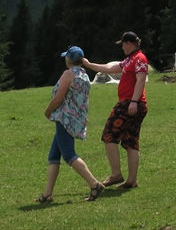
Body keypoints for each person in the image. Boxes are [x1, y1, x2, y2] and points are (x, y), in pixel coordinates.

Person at [36, 46, 106, 203]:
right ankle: (47, 194)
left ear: (69, 60)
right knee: (54, 155)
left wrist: (47, 111)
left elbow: (58, 98)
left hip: (64, 119)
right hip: (76, 119)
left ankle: (94, 184)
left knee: (68, 154)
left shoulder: (68, 74)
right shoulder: (84, 76)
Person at [81, 31, 148, 188]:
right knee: (131, 141)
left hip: (129, 104)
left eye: (123, 45)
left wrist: (133, 101)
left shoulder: (139, 59)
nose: (122, 48)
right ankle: (131, 180)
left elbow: (140, 80)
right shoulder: (130, 60)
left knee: (109, 135)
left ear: (128, 44)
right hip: (133, 103)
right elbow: (111, 67)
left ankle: (116, 174)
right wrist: (90, 65)